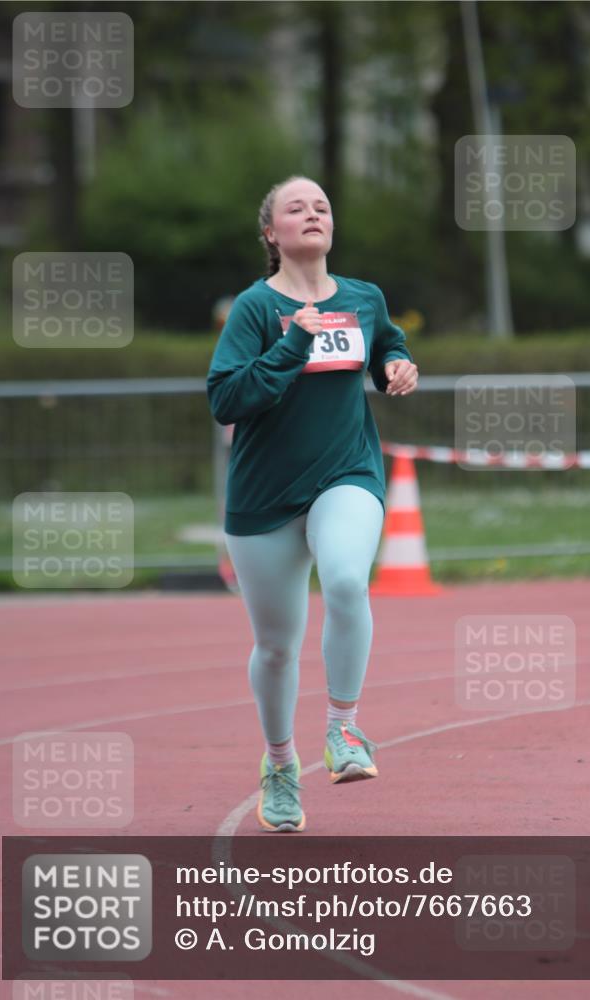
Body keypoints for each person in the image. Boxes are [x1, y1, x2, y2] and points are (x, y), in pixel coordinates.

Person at [206, 175, 418, 832]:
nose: (313, 214)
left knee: (348, 581)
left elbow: (385, 342)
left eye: (321, 206)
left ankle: (343, 729)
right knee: (276, 648)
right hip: (264, 496)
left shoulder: (362, 297)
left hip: (345, 473)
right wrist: (293, 343)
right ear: (271, 233)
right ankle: (279, 765)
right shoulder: (254, 308)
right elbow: (226, 399)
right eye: (295, 208)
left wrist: (396, 363)